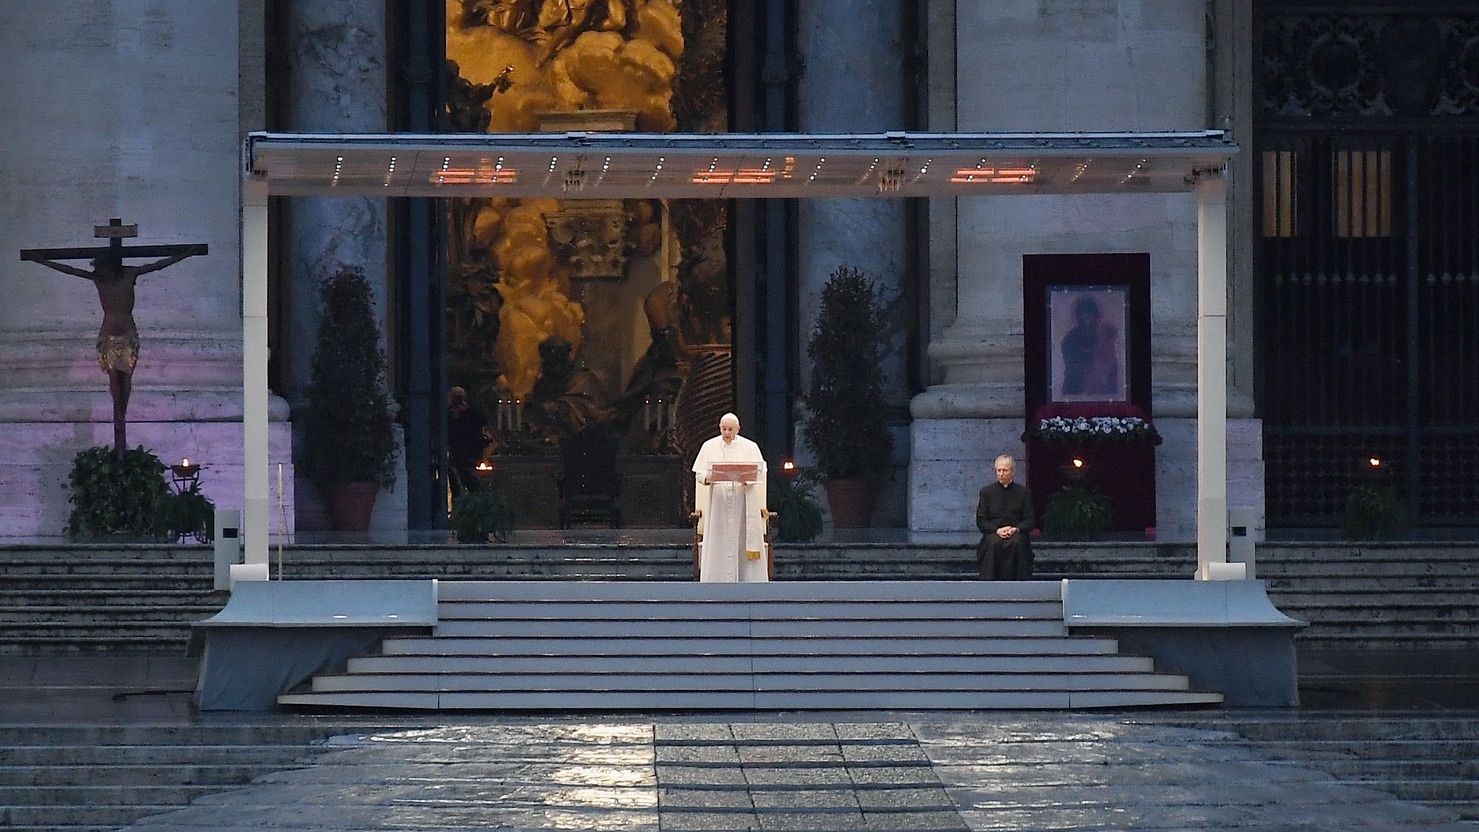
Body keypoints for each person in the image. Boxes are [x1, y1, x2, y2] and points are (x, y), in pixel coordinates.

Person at [22, 245, 206, 457]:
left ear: (112, 266)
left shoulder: (130, 274)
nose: (101, 272)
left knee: (126, 376)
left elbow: (158, 265)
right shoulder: (98, 279)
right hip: (108, 334)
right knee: (113, 376)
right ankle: (117, 410)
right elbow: (69, 270)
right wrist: (41, 261)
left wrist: (185, 254)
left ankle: (122, 412)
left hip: (127, 333)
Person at [691, 413, 768, 582]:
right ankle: (716, 580)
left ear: (738, 430)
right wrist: (709, 477)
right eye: (723, 429)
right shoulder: (709, 446)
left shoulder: (750, 447)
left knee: (742, 539)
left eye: (730, 429)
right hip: (719, 503)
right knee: (719, 540)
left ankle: (747, 580)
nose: (726, 433)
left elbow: (761, 471)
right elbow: (699, 473)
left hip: (743, 501)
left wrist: (745, 476)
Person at [976, 455, 1035, 580]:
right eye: (998, 470)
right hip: (994, 532)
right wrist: (997, 530)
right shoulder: (987, 492)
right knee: (994, 542)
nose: (1001, 474)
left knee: (1017, 542)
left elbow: (1029, 520)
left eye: (1005, 470)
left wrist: (1015, 529)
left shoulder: (1023, 493)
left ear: (1012, 472)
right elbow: (981, 520)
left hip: (1016, 532)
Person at [1059, 295, 1121, 397]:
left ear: (1095, 314)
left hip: (1102, 385)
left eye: (1089, 312)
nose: (1087, 316)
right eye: (1083, 313)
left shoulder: (1103, 334)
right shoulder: (1071, 337)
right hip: (1076, 385)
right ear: (1078, 315)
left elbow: (1112, 362)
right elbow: (1070, 362)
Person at [447, 386, 490, 498]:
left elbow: (482, 420)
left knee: (471, 482)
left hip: (469, 452)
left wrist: (467, 410)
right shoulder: (450, 413)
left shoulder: (471, 412)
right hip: (458, 452)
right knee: (457, 483)